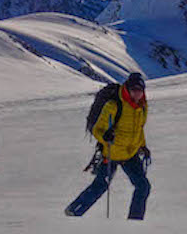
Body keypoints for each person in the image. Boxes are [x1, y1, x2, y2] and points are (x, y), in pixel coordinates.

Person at [65, 73, 151, 220]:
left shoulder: (142, 106)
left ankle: (135, 222)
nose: (137, 93)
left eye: (140, 90)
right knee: (100, 186)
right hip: (111, 153)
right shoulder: (114, 105)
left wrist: (143, 146)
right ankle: (73, 212)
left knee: (143, 187)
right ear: (128, 89)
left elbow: (139, 129)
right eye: (134, 89)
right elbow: (97, 130)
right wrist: (105, 137)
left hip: (130, 154)